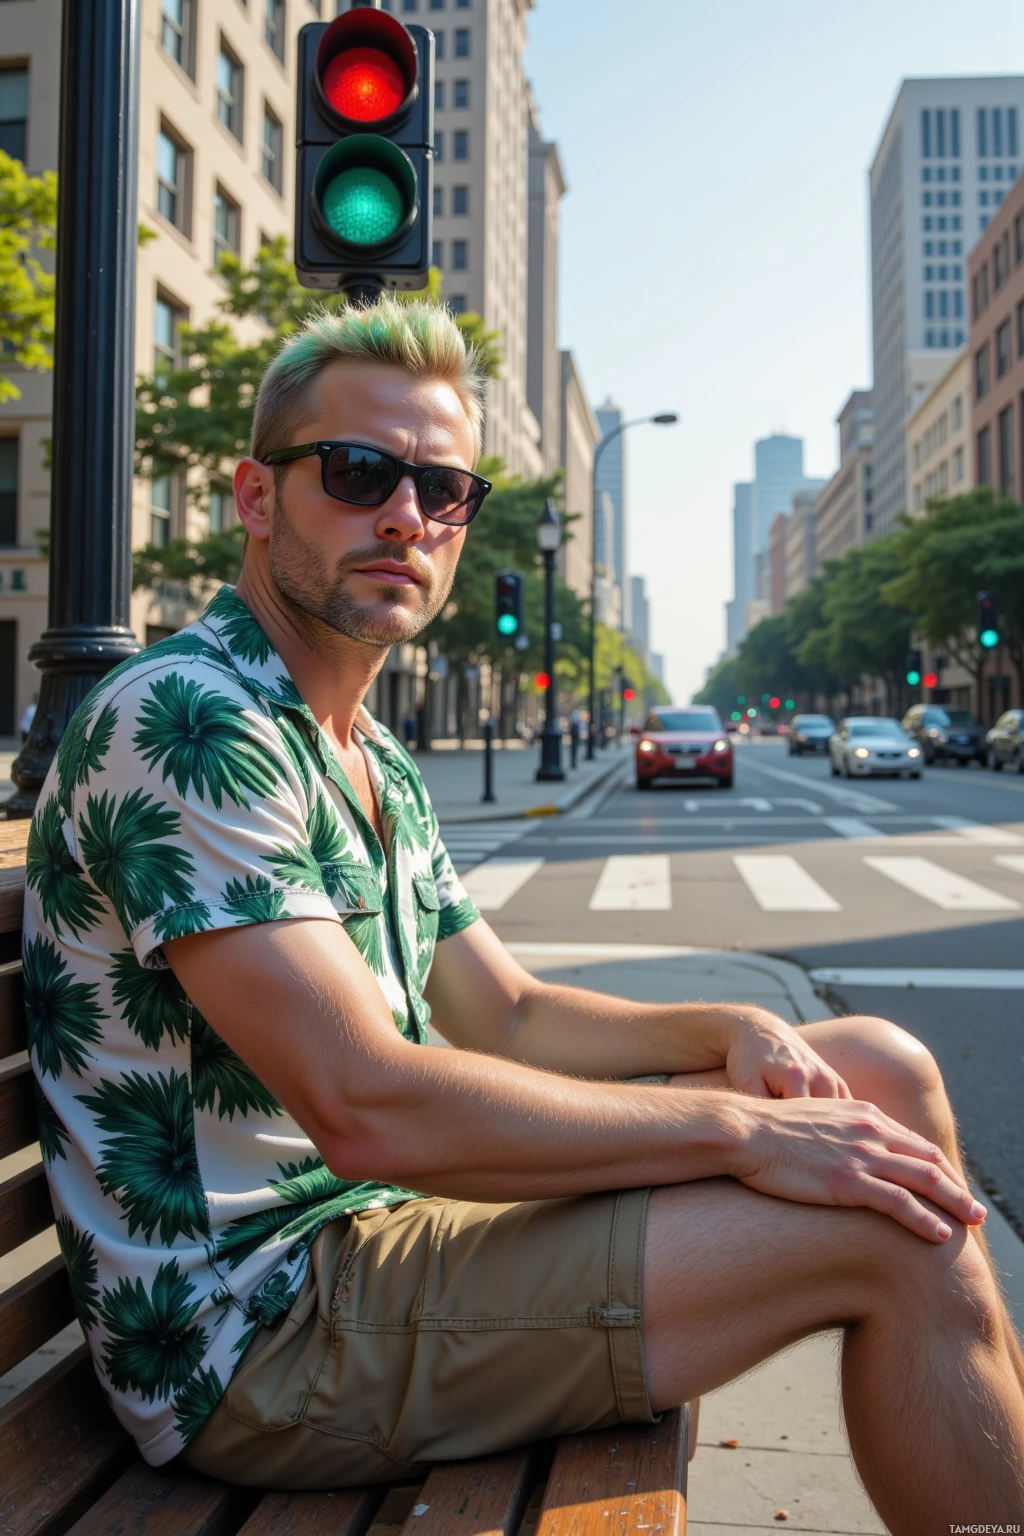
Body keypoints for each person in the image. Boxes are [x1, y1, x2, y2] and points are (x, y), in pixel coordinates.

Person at [24, 300, 1024, 1527]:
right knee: (899, 1242)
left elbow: (505, 1012)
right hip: (256, 1335)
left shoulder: (367, 754)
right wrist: (737, 1132)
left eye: (442, 490)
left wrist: (724, 1031)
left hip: (371, 1245)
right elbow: (369, 1105)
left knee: (870, 1062)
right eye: (356, 472)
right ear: (253, 495)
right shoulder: (188, 723)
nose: (405, 514)